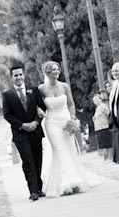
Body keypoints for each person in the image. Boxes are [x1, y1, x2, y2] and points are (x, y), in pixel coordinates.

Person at [39, 61, 92, 197]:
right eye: (53, 70)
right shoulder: (41, 89)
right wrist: (39, 110)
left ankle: (75, 180)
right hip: (51, 123)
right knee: (59, 150)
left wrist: (72, 118)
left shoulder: (64, 86)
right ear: (47, 72)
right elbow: (37, 105)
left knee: (69, 150)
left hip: (65, 120)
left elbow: (71, 104)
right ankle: (65, 183)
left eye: (57, 69)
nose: (56, 72)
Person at [2, 64, 46, 201]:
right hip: (20, 134)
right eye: (16, 75)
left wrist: (36, 122)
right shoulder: (7, 94)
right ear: (11, 77)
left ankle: (39, 188)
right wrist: (22, 125)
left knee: (38, 159)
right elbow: (7, 115)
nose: (19, 77)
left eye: (20, 74)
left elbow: (42, 107)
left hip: (35, 130)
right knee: (28, 161)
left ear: (24, 75)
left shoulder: (34, 90)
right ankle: (33, 191)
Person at [91, 92, 111, 161]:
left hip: (104, 126)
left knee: (106, 143)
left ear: (100, 99)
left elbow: (108, 114)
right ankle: (106, 157)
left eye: (96, 99)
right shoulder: (97, 108)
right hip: (98, 128)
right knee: (102, 144)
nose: (95, 101)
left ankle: (108, 157)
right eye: (94, 100)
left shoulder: (103, 106)